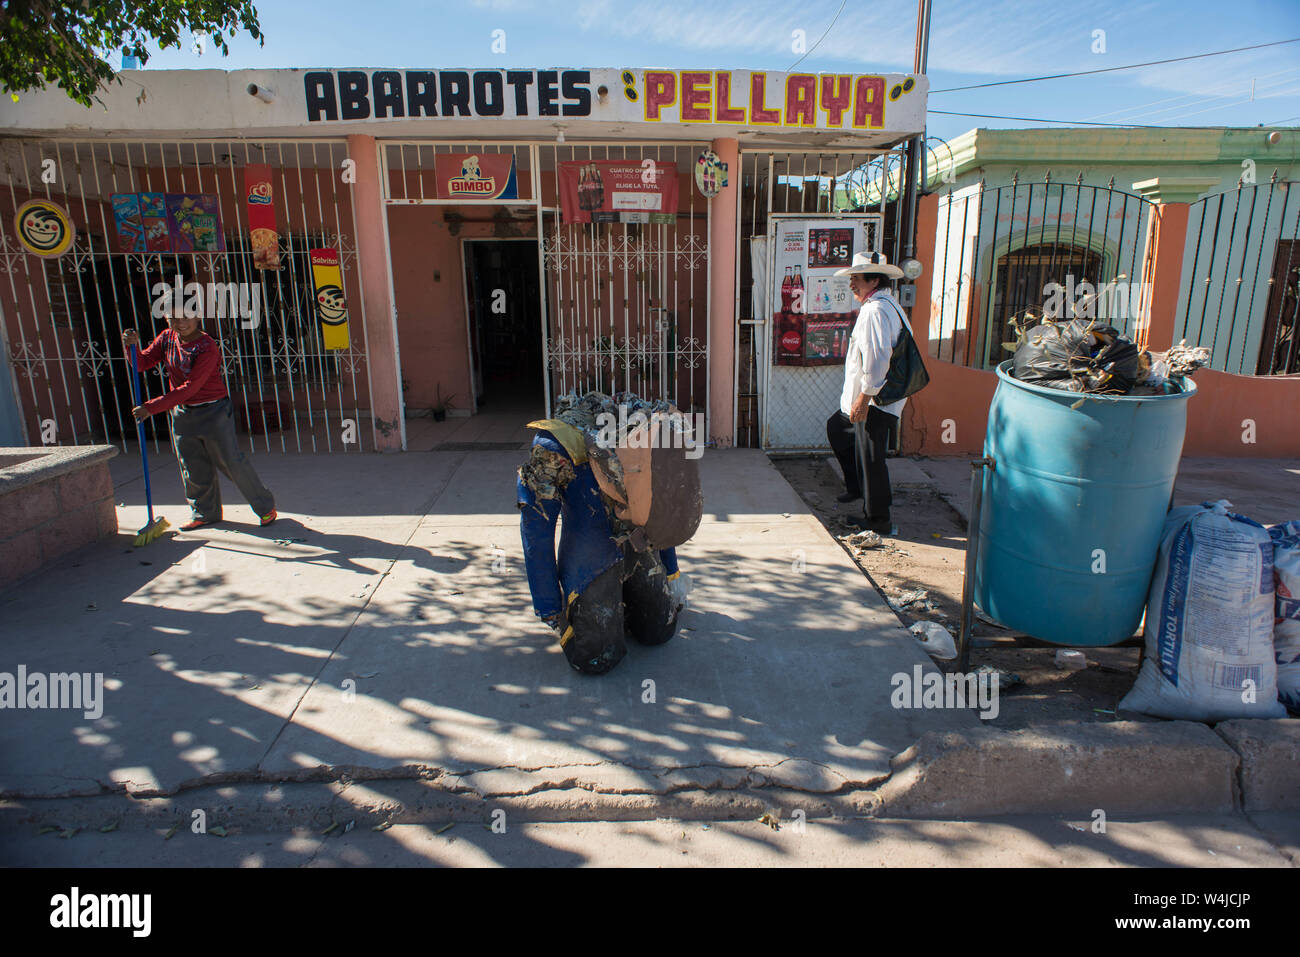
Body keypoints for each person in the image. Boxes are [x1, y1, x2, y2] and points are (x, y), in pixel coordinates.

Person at [517, 403, 687, 675]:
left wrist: (671, 570)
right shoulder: (555, 445)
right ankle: (603, 613)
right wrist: (548, 604)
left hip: (639, 548)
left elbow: (659, 509)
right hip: (590, 560)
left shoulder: (644, 433)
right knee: (597, 657)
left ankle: (624, 607)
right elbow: (537, 528)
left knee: (659, 630)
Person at [121, 294, 277, 531]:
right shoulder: (167, 338)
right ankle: (204, 513)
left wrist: (150, 408)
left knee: (231, 462)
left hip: (214, 410)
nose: (181, 322)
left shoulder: (206, 346)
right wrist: (131, 346)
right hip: (183, 413)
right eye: (174, 317)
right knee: (192, 465)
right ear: (166, 319)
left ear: (198, 316)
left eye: (187, 316)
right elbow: (141, 363)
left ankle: (265, 508)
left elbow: (191, 387)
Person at [825, 251, 907, 535]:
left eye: (856, 279)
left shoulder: (875, 310)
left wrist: (864, 398)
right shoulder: (886, 305)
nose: (851, 285)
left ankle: (878, 519)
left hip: (875, 400)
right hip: (872, 398)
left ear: (874, 280)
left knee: (872, 459)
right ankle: (857, 488)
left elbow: (878, 358)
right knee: (838, 428)